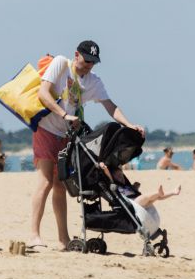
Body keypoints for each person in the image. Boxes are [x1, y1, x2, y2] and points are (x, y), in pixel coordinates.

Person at [28, 40, 144, 250]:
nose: (89, 65)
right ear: (77, 55)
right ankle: (34, 235)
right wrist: (64, 114)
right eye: (87, 59)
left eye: (93, 62)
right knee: (45, 181)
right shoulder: (61, 64)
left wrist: (129, 125)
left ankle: (63, 238)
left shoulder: (93, 82)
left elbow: (110, 106)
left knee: (60, 185)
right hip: (46, 129)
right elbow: (43, 94)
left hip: (67, 135)